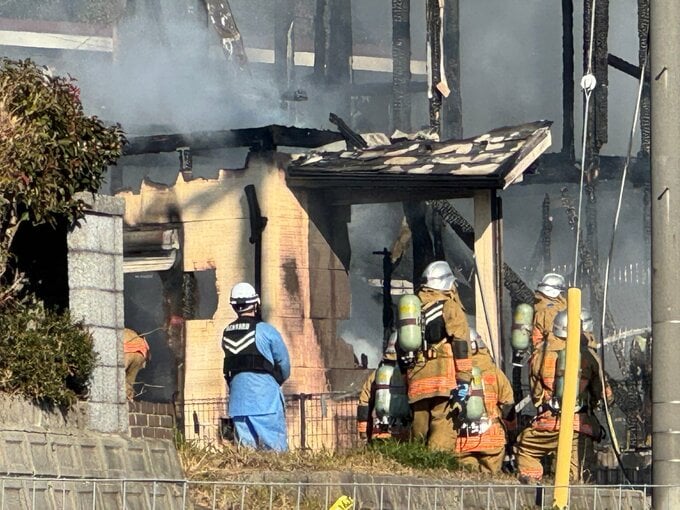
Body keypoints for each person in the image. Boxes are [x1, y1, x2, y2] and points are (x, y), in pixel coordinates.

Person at [516, 309, 611, 483]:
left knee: (526, 450)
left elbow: (536, 393)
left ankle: (532, 483)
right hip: (577, 426)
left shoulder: (539, 355)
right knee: (577, 476)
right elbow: (604, 395)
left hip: (547, 423)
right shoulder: (589, 356)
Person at [406, 260, 472, 451]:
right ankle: (435, 460)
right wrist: (464, 379)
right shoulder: (450, 306)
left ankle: (414, 456)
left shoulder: (413, 307)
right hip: (442, 377)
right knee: (442, 421)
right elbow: (461, 344)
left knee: (419, 424)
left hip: (417, 378)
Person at [220, 282, 291, 451]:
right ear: (255, 303)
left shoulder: (226, 333)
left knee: (247, 454)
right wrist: (277, 380)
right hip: (266, 401)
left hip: (238, 404)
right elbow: (284, 364)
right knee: (275, 452)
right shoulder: (266, 330)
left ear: (234, 306)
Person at [454, 329, 515, 473]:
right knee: (490, 481)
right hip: (491, 438)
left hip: (463, 439)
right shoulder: (494, 372)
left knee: (467, 479)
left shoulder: (454, 371)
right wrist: (511, 434)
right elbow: (508, 405)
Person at [356, 331, 411, 442]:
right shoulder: (410, 373)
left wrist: (363, 432)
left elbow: (364, 401)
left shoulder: (377, 374)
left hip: (380, 432)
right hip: (405, 433)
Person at [531, 273, 567, 349]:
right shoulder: (548, 311)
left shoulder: (542, 306)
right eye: (561, 293)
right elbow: (552, 338)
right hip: (549, 351)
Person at [123, 328, 151, 401]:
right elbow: (149, 355)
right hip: (141, 354)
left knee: (118, 375)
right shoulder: (137, 335)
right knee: (129, 380)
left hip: (127, 351)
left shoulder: (123, 331)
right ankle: (128, 398)